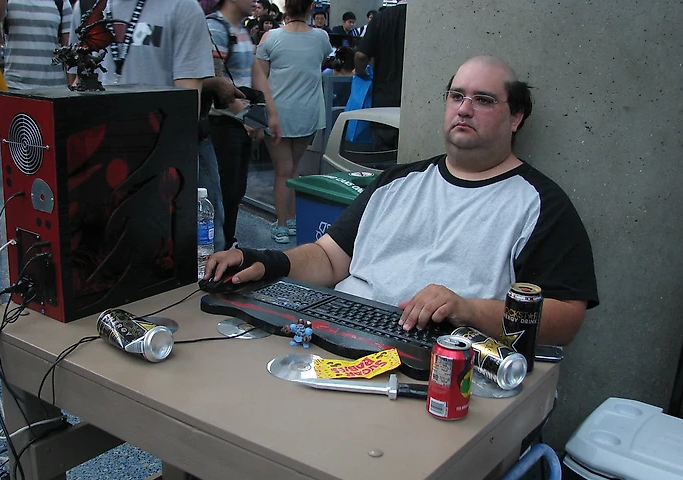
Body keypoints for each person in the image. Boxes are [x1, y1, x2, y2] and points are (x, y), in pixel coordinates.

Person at [206, 55, 599, 346]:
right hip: (335, 336)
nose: (464, 109)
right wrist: (265, 261)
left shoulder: (540, 205)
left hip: (438, 363)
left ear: (516, 117)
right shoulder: (397, 181)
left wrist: (469, 309)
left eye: (483, 100)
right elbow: (328, 258)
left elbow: (566, 320)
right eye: (456, 96)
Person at [69, 0, 238, 252]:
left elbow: (186, 106)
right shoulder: (87, 6)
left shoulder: (181, 7)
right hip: (101, 160)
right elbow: (75, 83)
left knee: (196, 251)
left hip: (163, 159)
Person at [252, 0, 332, 244]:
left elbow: (259, 78)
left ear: (286, 7)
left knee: (282, 171)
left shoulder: (270, 38)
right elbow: (321, 60)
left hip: (277, 112)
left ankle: (281, 225)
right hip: (307, 112)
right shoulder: (321, 38)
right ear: (311, 7)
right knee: (294, 168)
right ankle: (293, 220)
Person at [206, 0, 260, 250]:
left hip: (240, 122)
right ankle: (219, 248)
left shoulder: (241, 28)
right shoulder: (216, 28)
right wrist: (248, 117)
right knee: (224, 192)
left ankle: (228, 243)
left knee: (235, 191)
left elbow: (253, 74)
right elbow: (216, 81)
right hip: (222, 122)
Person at [354, 0, 406, 149]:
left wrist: (360, 72)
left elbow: (361, 56)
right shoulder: (427, 17)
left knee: (383, 156)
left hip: (385, 101)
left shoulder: (382, 18)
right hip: (418, 105)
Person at [0, 0, 72, 89]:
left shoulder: (62, 2)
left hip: (54, 88)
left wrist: (71, 90)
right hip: (16, 86)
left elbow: (69, 51)